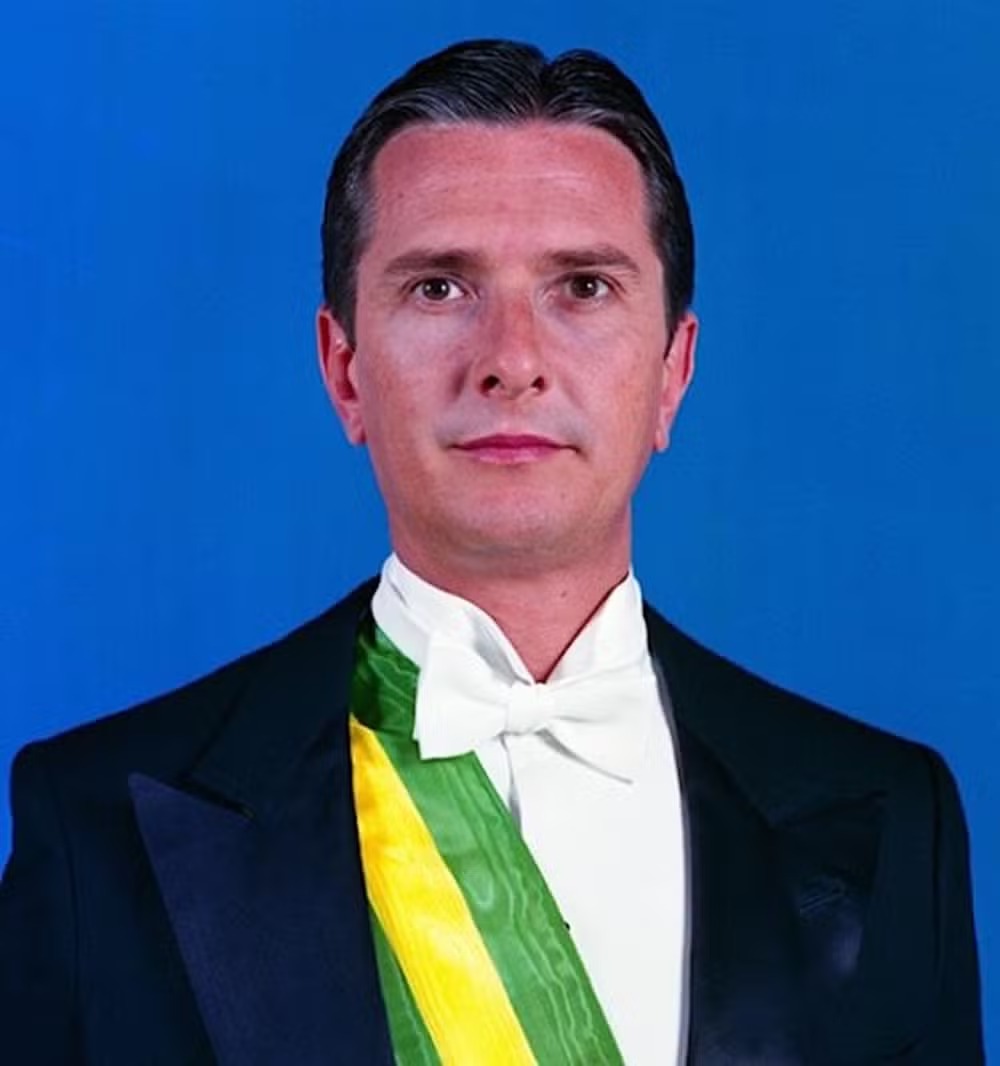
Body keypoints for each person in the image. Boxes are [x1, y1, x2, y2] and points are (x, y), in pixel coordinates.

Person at [0, 38, 983, 1066]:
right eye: (439, 288)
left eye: (583, 287)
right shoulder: (96, 823)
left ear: (672, 372)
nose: (512, 360)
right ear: (343, 369)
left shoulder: (892, 816)